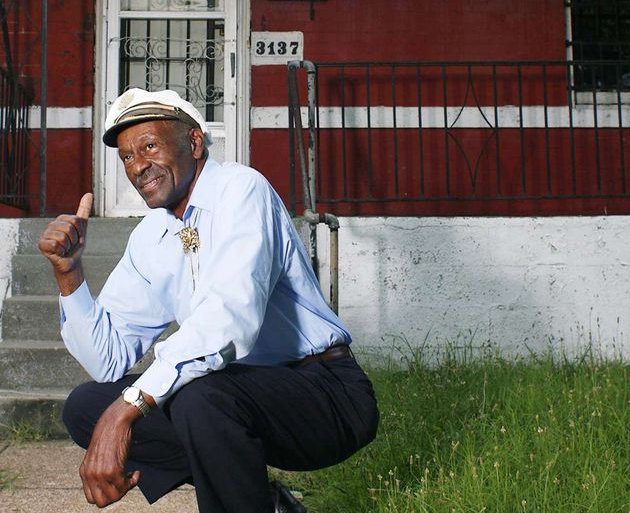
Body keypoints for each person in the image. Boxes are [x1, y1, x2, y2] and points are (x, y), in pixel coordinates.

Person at [38, 88, 378, 513]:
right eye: (126, 157)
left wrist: (129, 409)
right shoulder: (151, 237)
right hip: (235, 398)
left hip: (325, 394)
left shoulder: (242, 191)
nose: (139, 166)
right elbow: (107, 358)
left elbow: (227, 321)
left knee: (197, 396)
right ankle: (262, 501)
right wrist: (68, 274)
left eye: (148, 146)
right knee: (87, 407)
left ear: (194, 143)